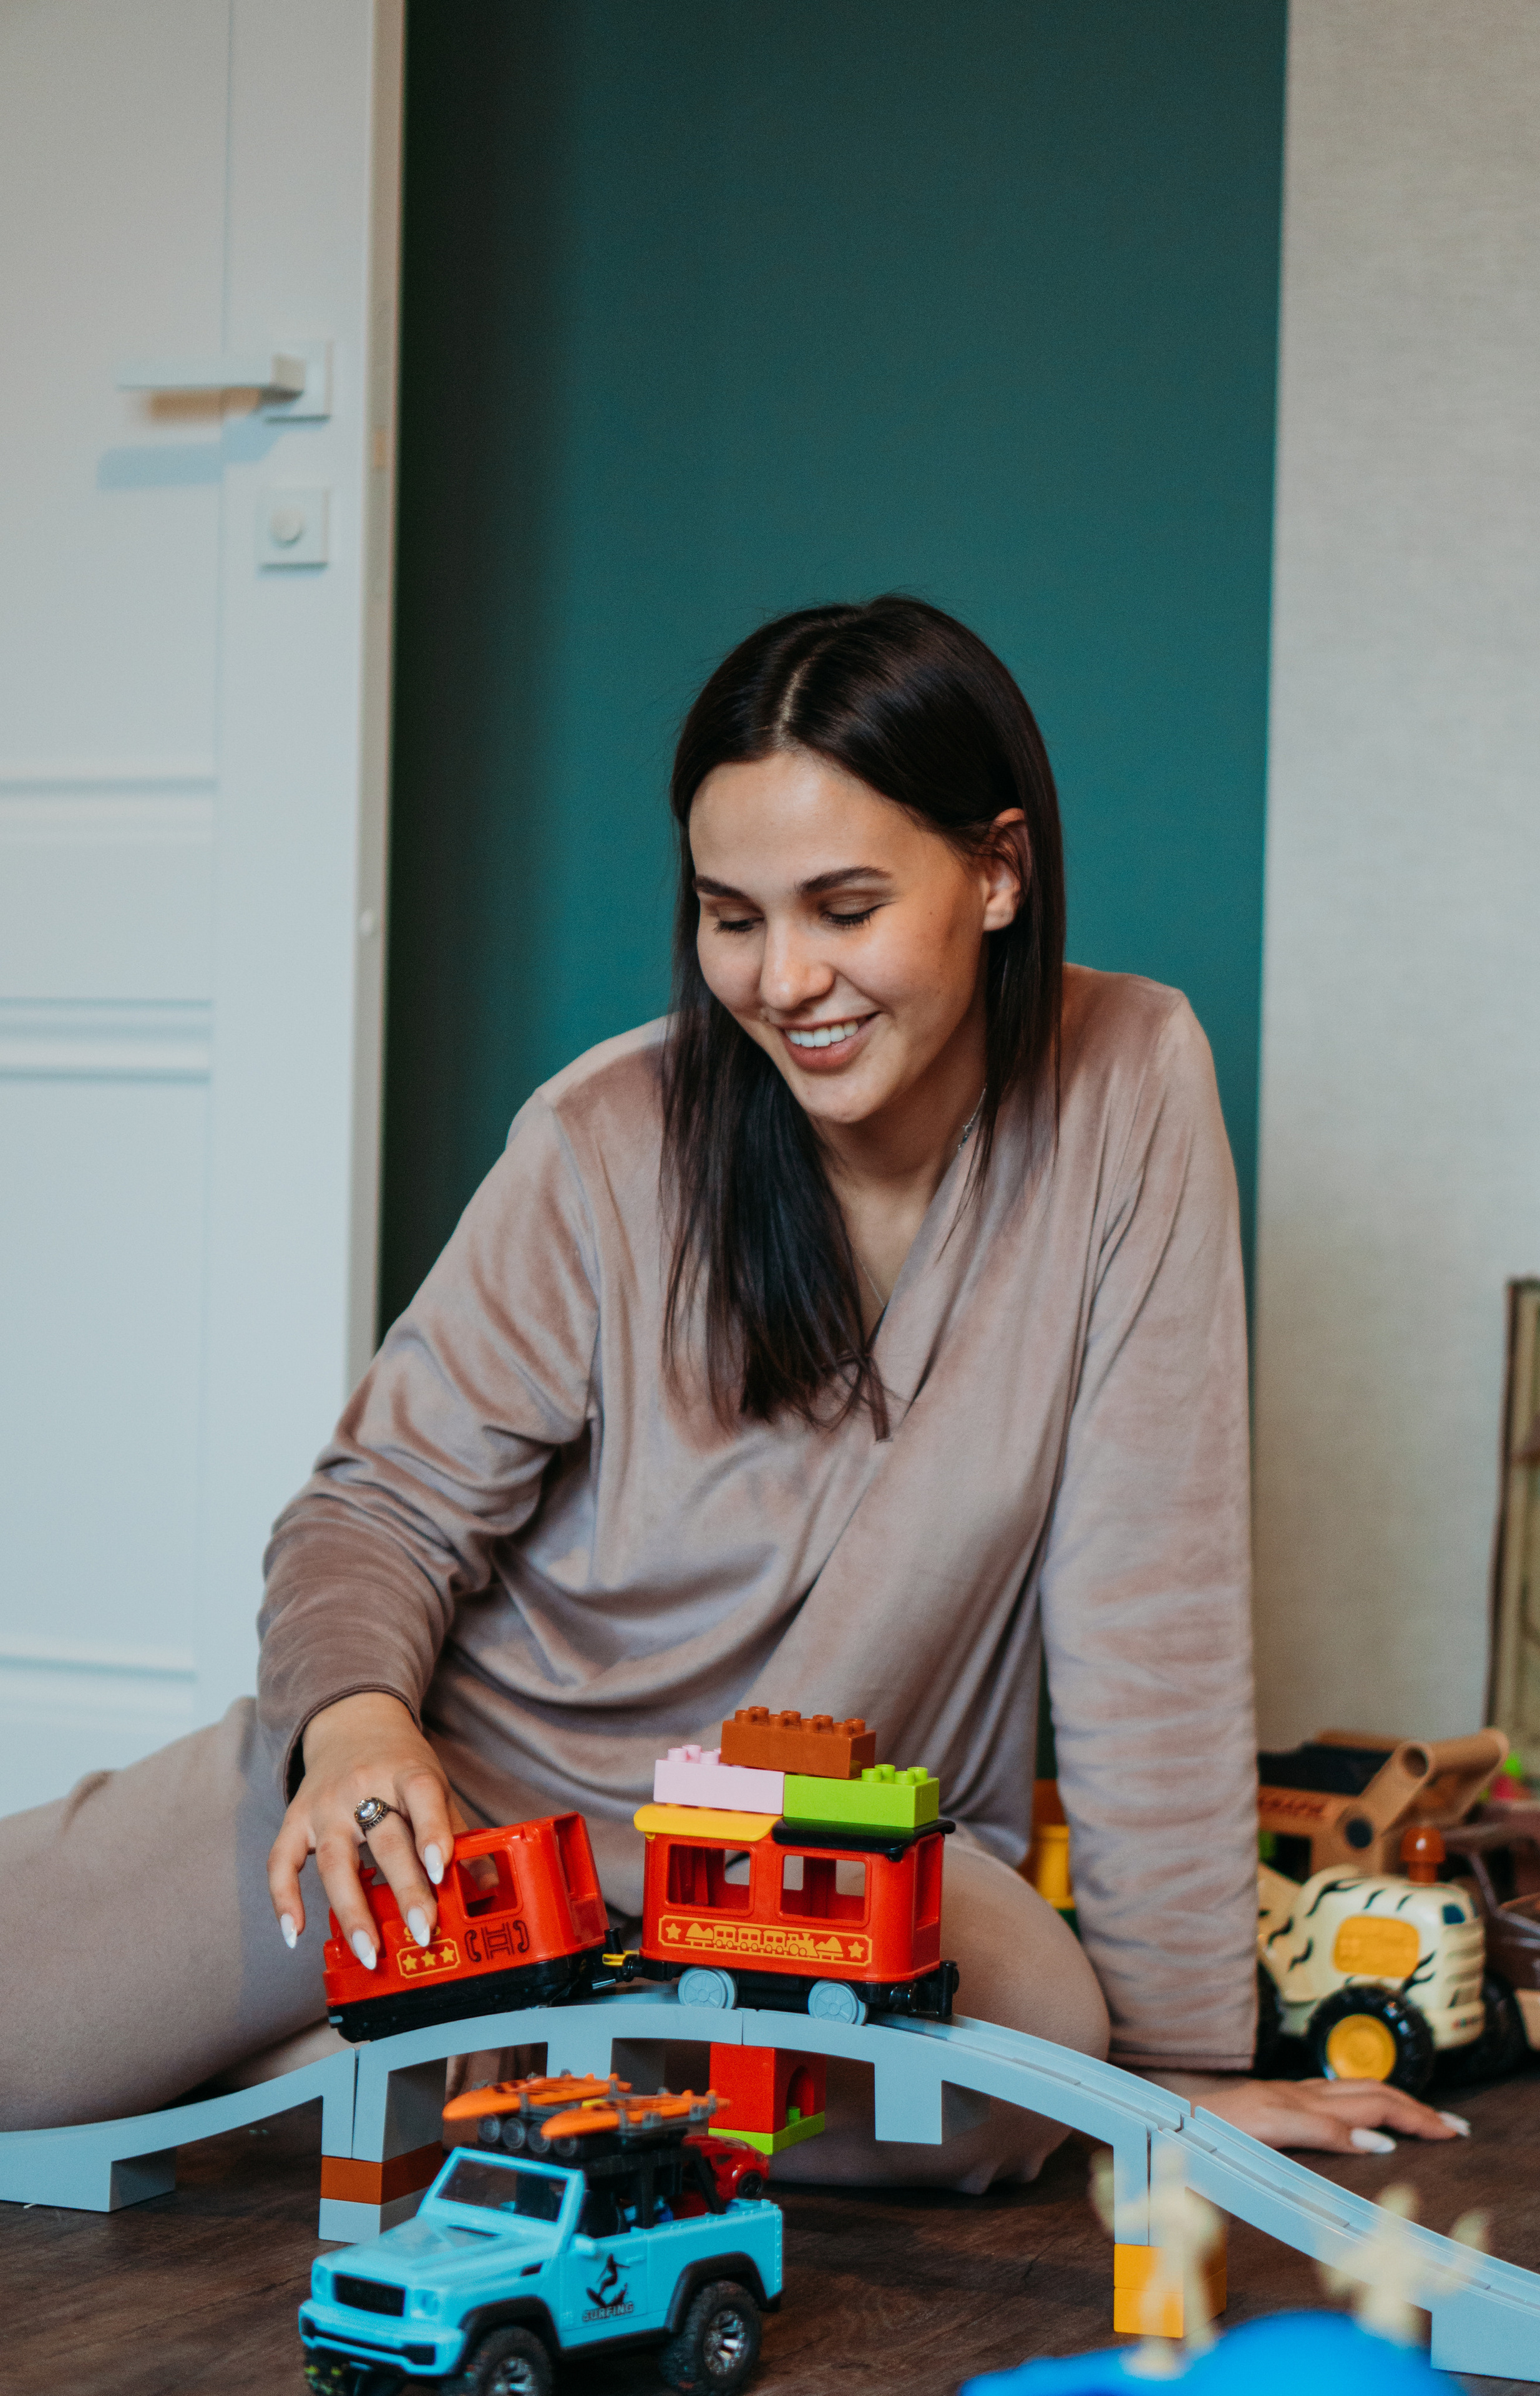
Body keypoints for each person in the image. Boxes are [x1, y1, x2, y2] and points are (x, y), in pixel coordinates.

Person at [0, 598, 1463, 2172]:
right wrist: (358, 1740)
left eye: (842, 907)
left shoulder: (1131, 1083)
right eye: (732, 915)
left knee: (1038, 2051)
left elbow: (1146, 1607)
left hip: (823, 1858)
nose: (783, 981)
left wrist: (1179, 2083)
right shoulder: (604, 1134)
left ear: (995, 870)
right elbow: (378, 1510)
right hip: (463, 1803)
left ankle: (349, 2084)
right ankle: (369, 2067)